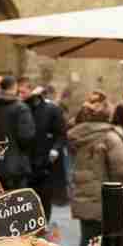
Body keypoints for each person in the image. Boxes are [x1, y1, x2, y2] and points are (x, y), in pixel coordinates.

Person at [68, 92, 123, 246]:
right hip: (108, 201)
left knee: (87, 244)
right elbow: (122, 169)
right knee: (110, 245)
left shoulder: (77, 135)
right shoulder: (110, 137)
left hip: (84, 199)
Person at [0, 75, 36, 191]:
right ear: (15, 87)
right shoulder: (21, 108)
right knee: (17, 203)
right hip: (16, 166)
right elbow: (26, 136)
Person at [24, 86, 68, 223]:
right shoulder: (25, 108)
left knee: (44, 194)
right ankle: (34, 222)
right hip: (29, 158)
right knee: (30, 194)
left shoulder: (52, 109)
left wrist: (55, 149)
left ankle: (43, 222)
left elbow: (61, 133)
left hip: (45, 159)